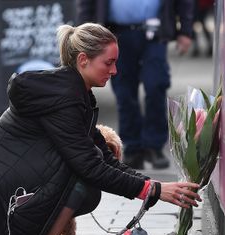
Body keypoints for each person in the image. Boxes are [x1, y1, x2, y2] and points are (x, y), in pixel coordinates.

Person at [0, 23, 201, 235]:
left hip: (5, 201)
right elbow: (88, 164)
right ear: (83, 60)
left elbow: (105, 157)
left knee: (89, 172)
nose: (115, 71)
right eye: (108, 63)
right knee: (82, 175)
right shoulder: (64, 99)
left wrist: (152, 187)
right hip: (2, 211)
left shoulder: (73, 93)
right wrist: (152, 190)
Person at [76, 0, 194, 169]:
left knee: (156, 85)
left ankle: (154, 146)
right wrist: (84, 34)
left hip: (154, 33)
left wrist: (186, 30)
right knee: (124, 92)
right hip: (115, 34)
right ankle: (132, 147)